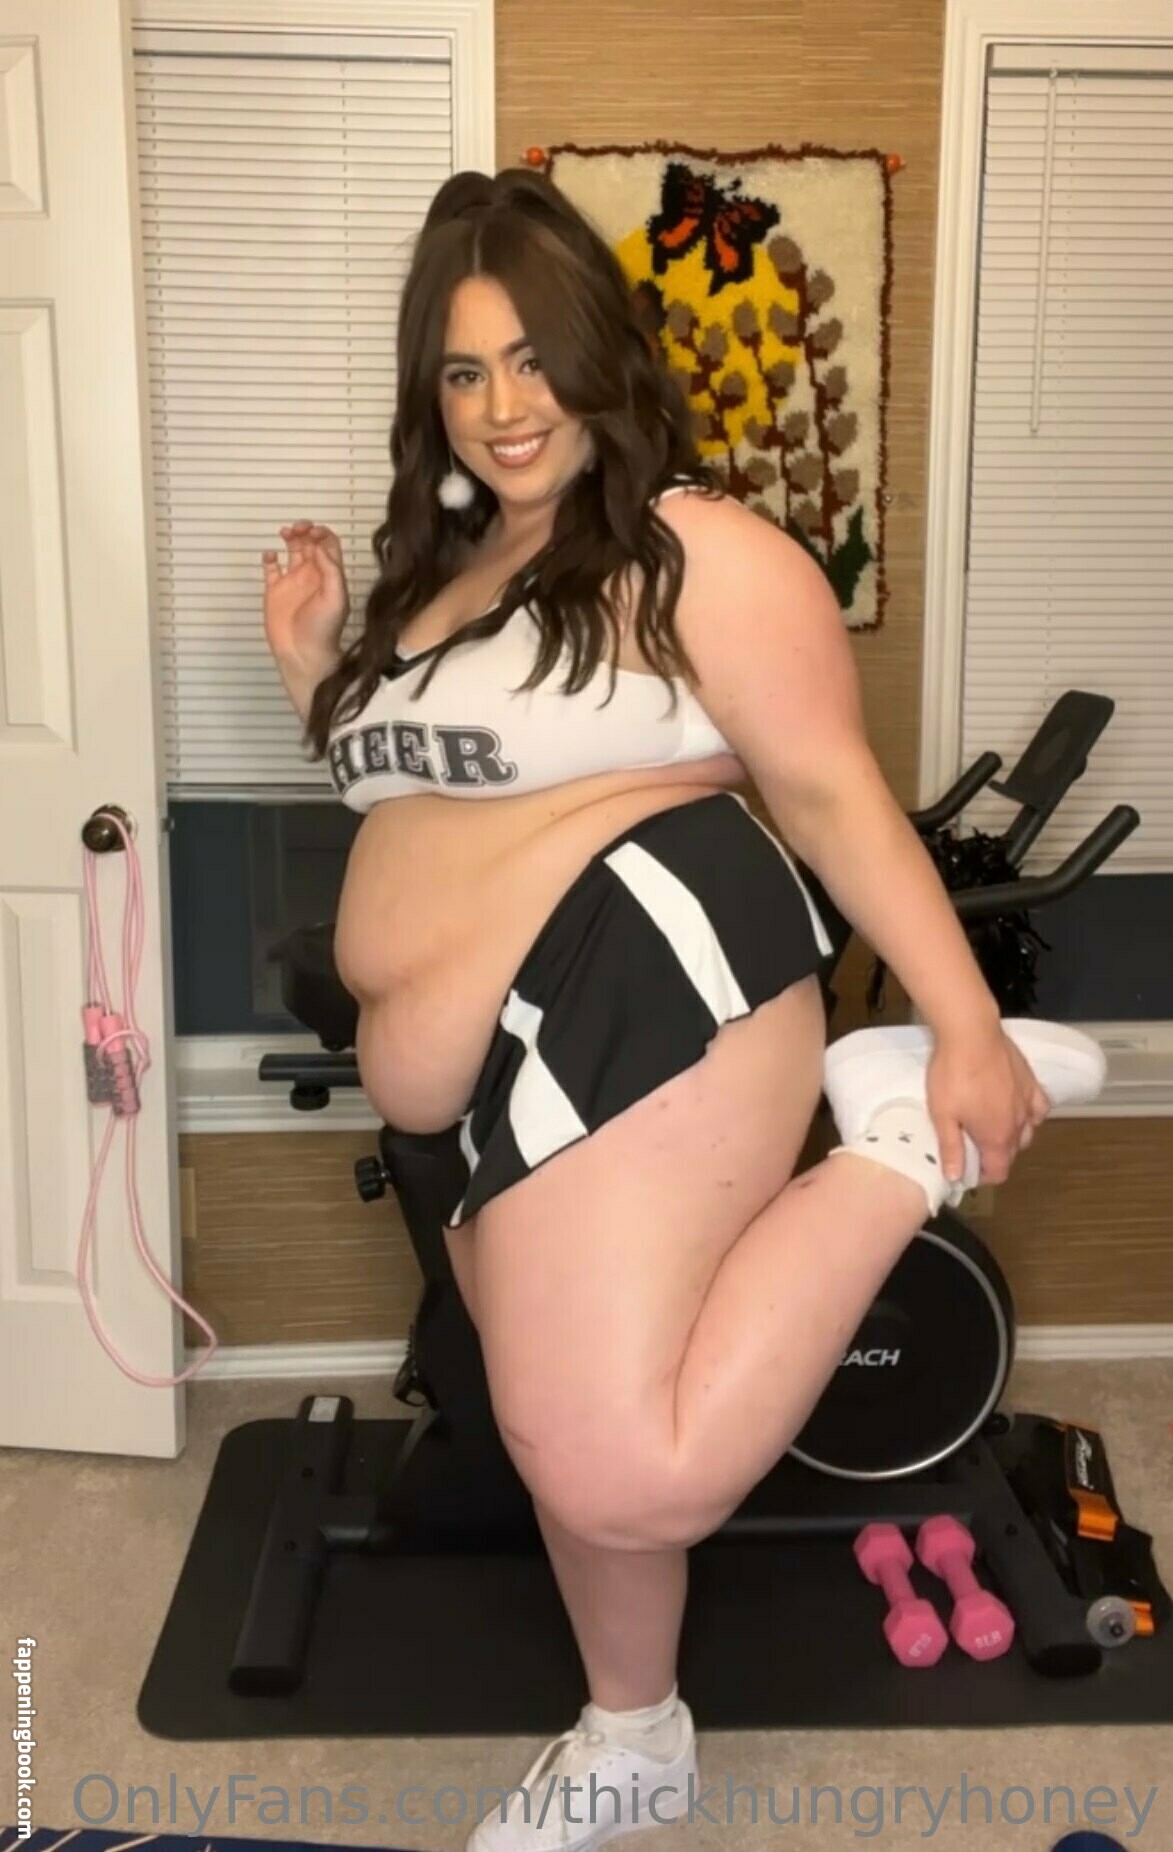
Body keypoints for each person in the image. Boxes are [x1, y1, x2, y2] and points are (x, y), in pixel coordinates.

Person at [261, 167, 1106, 1852]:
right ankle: (633, 1736)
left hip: (646, 983)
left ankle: (893, 1144)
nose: (503, 404)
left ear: (600, 356)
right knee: (549, 1416)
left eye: (532, 358)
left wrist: (962, 1026)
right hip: (499, 1052)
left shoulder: (692, 551)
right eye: (462, 370)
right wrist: (316, 663)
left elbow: (828, 791)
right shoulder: (449, 576)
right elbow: (413, 797)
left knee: (624, 1465)